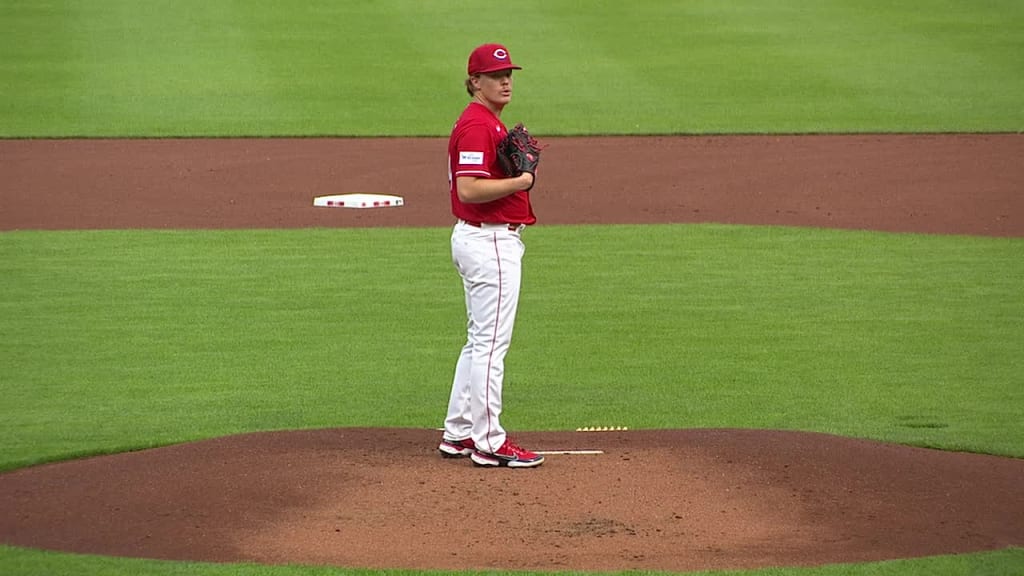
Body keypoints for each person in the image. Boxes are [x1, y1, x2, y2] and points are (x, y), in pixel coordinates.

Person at [438, 43, 544, 468]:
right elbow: (468, 189)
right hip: (489, 243)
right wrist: (521, 181)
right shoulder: (478, 126)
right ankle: (489, 441)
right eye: (495, 76)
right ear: (474, 82)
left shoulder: (485, 122)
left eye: (509, 75)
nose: (505, 82)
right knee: (489, 345)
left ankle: (459, 432)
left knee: (477, 340)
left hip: (482, 240)